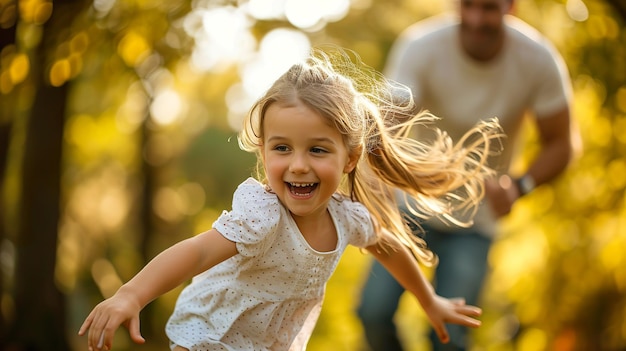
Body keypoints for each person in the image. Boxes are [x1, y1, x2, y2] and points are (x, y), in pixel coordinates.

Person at [78, 47, 503, 351]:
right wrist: (131, 295)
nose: (298, 165)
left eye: (317, 150)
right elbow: (195, 253)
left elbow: (389, 248)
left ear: (350, 158)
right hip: (212, 335)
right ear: (263, 152)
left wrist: (430, 301)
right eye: (282, 148)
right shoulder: (262, 215)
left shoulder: (348, 218)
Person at [357, 0, 576, 350]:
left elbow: (562, 145)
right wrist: (376, 188)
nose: (476, 19)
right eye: (468, 6)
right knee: (373, 312)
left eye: (488, 8)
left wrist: (520, 187)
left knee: (450, 336)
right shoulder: (420, 47)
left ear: (511, 7)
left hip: (475, 223)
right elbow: (384, 131)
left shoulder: (537, 59)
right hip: (408, 211)